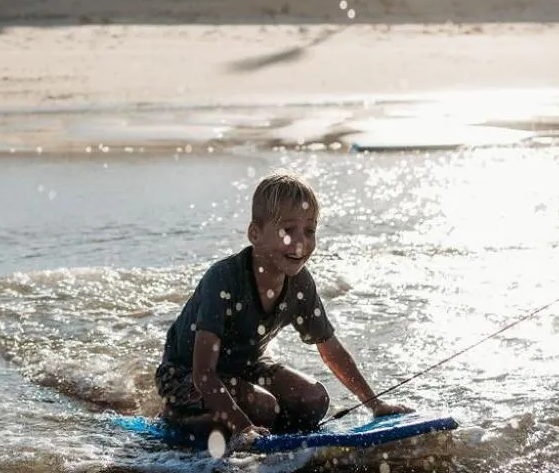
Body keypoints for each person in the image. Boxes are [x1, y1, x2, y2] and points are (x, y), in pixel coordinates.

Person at [155, 171, 408, 450]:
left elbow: (330, 349)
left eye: (309, 231)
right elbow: (203, 372)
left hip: (246, 368)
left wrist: (375, 404)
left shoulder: (300, 283)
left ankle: (257, 418)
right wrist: (243, 428)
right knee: (263, 408)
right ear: (255, 234)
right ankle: (177, 417)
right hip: (184, 375)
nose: (302, 242)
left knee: (314, 401)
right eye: (288, 230)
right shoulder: (224, 279)